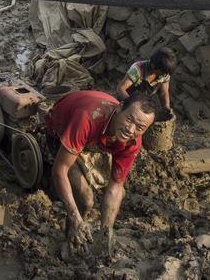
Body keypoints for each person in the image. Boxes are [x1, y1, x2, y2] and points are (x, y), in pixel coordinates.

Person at [43, 90, 157, 260]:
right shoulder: (88, 118)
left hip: (97, 138)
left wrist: (106, 232)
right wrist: (76, 217)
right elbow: (60, 169)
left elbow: (116, 185)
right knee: (86, 200)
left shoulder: (133, 141)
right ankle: (70, 235)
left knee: (118, 191)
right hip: (61, 126)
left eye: (140, 128)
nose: (130, 129)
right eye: (129, 119)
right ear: (119, 108)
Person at [115, 48, 174, 113]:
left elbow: (163, 93)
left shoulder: (164, 74)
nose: (165, 75)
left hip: (143, 103)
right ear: (154, 66)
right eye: (163, 72)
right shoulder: (137, 69)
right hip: (126, 101)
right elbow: (121, 88)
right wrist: (131, 105)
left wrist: (166, 107)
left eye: (166, 73)